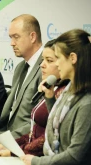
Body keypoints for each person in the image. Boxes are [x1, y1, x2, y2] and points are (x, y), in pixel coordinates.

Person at [20, 29, 91, 165]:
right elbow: (57, 124)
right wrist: (50, 97)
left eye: (57, 58)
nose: (57, 64)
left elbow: (75, 156)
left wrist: (36, 161)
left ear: (72, 58)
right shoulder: (69, 92)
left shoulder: (86, 103)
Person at [0, 39, 69, 157]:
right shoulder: (52, 88)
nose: (42, 65)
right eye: (42, 60)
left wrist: (14, 152)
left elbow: (50, 135)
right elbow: (34, 131)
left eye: (49, 60)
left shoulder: (65, 93)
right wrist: (11, 144)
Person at [0, 14, 43, 138]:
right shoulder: (20, 67)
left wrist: (8, 138)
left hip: (25, 142)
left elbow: (40, 120)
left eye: (16, 37)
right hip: (6, 136)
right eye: (11, 38)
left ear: (32, 37)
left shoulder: (46, 67)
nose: (12, 43)